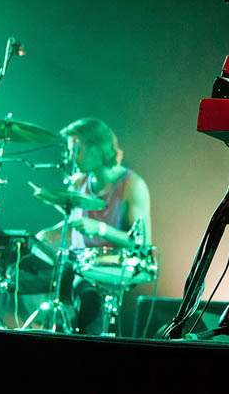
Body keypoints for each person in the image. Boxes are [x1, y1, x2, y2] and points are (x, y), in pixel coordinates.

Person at [37, 117, 151, 334]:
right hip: (79, 263)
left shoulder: (132, 185)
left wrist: (100, 229)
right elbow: (78, 224)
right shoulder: (80, 181)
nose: (71, 157)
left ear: (97, 149)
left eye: (76, 150)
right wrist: (51, 233)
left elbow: (142, 242)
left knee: (86, 294)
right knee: (28, 272)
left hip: (110, 269)